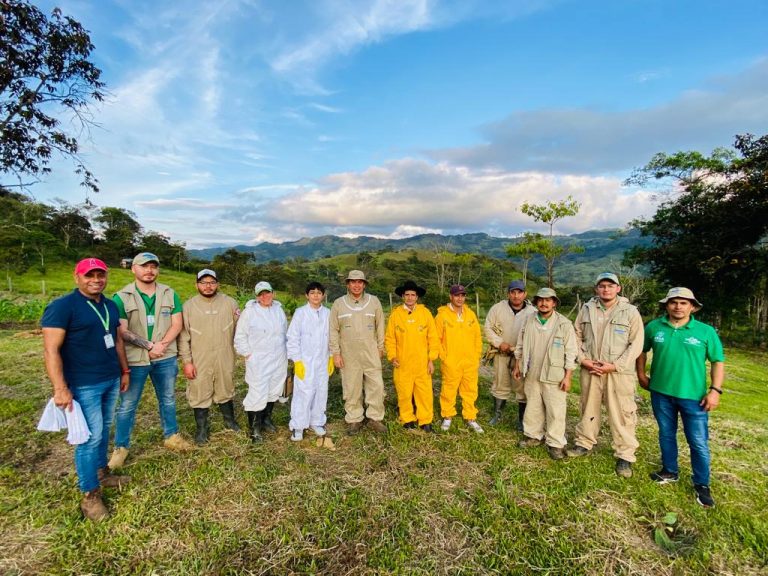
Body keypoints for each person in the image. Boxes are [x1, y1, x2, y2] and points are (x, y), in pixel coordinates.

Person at [41, 258, 131, 521]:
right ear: (76, 277)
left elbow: (116, 340)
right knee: (88, 439)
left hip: (110, 378)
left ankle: (102, 474)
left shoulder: (110, 305)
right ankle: (90, 495)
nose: (95, 280)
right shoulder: (62, 307)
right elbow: (51, 350)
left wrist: (124, 370)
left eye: (100, 275)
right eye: (89, 275)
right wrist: (60, 388)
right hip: (83, 383)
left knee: (103, 429)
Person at [636, 287, 725, 508]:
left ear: (692, 307)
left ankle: (701, 484)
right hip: (660, 392)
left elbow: (717, 362)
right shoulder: (654, 326)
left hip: (693, 397)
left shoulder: (705, 331)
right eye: (673, 302)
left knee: (697, 441)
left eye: (683, 303)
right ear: (666, 305)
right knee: (666, 433)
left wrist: (715, 390)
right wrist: (640, 374)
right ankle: (669, 471)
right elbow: (641, 350)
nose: (678, 306)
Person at [109, 252, 192, 470]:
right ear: (133, 269)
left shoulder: (169, 293)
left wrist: (161, 345)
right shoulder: (121, 297)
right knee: (127, 404)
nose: (149, 270)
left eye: (153, 266)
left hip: (165, 356)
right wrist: (149, 346)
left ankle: (171, 435)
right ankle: (121, 447)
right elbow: (123, 331)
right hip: (135, 359)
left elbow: (177, 324)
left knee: (168, 398)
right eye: (144, 266)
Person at [567, 273, 644, 478]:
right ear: (596, 289)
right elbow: (576, 335)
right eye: (602, 286)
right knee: (587, 407)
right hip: (590, 368)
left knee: (622, 412)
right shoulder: (587, 309)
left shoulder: (630, 312)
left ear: (618, 288)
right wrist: (583, 359)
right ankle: (584, 442)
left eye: (611, 286)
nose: (606, 290)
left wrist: (615, 366)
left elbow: (636, 344)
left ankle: (625, 455)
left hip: (618, 373)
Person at [177, 269, 241, 445]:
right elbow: (184, 337)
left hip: (224, 353)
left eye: (212, 282)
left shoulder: (230, 303)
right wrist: (187, 362)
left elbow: (241, 329)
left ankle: (229, 421)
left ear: (217, 284)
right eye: (204, 282)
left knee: (225, 385)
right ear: (197, 284)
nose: (208, 286)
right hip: (200, 356)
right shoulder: (188, 306)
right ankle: (202, 428)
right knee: (199, 388)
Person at [514, 288, 577, 460]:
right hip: (532, 370)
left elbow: (571, 352)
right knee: (533, 405)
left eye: (548, 300)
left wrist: (568, 376)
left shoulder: (564, 324)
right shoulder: (528, 320)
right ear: (536, 302)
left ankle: (555, 443)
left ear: (554, 303)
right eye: (541, 300)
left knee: (555, 410)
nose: (544, 303)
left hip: (555, 373)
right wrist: (518, 365)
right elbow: (520, 345)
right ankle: (534, 436)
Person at [330, 270, 387, 435]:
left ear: (364, 284)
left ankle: (375, 417)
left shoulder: (374, 301)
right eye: (353, 282)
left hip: (370, 351)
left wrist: (380, 347)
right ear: (347, 284)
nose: (356, 285)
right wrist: (336, 353)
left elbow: (380, 326)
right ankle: (354, 418)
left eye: (360, 282)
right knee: (351, 386)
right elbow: (333, 330)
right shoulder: (338, 304)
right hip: (348, 353)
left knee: (376, 385)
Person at [234, 281, 288, 443]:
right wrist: (249, 354)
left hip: (278, 357)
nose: (265, 296)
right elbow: (240, 337)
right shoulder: (249, 312)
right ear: (257, 296)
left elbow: (285, 333)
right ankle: (255, 428)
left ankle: (266, 419)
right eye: (261, 294)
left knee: (274, 388)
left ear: (273, 293)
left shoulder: (278, 310)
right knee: (257, 392)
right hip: (259, 359)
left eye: (267, 292)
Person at [385, 280, 439, 432]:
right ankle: (407, 418)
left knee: (425, 393)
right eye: (407, 295)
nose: (410, 298)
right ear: (403, 296)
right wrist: (392, 356)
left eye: (412, 295)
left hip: (422, 363)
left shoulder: (425, 313)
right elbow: (390, 339)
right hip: (402, 363)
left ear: (417, 297)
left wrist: (431, 359)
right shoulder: (395, 315)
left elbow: (433, 338)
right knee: (404, 393)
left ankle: (425, 421)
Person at [483, 280, 535, 429]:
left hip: (521, 356)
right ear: (508, 294)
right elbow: (488, 328)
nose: (516, 295)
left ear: (525, 294)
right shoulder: (498, 308)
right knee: (500, 383)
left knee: (522, 386)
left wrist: (521, 349)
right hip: (501, 353)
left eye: (519, 292)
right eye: (513, 292)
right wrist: (499, 343)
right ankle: (497, 414)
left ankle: (521, 420)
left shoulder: (531, 312)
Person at [287, 281, 333, 442]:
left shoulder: (328, 313)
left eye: (319, 293)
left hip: (323, 359)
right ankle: (298, 426)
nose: (316, 295)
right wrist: (297, 360)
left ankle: (317, 421)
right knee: (303, 393)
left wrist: (332, 357)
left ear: (323, 295)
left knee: (321, 391)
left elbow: (332, 336)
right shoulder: (300, 313)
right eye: (312, 292)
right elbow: (292, 338)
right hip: (305, 361)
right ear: (307, 295)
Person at [435, 284, 484, 433]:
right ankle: (448, 415)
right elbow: (436, 339)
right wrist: (445, 357)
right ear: (451, 296)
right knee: (449, 388)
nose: (460, 298)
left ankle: (470, 416)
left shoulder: (470, 314)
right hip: (451, 361)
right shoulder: (442, 315)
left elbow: (477, 337)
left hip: (469, 361)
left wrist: (476, 356)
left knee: (470, 389)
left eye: (462, 295)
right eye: (457, 295)